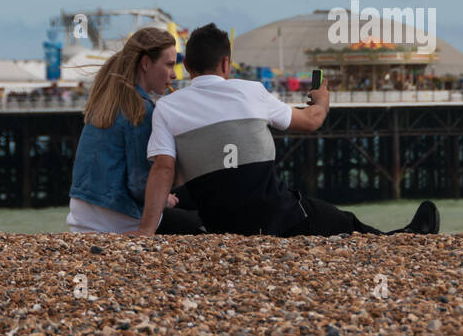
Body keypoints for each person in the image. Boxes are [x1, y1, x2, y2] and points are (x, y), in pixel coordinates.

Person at [136, 23, 439, 237]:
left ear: (186, 65)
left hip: (218, 223)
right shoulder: (251, 91)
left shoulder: (167, 107)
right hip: (275, 217)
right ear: (226, 63)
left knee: (201, 188)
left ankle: (401, 236)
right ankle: (404, 238)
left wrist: (146, 232)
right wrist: (320, 100)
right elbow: (310, 121)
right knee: (344, 221)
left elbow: (163, 169)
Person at [67, 27, 204, 234]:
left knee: (183, 206)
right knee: (199, 218)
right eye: (169, 65)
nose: (174, 75)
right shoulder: (141, 108)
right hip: (116, 219)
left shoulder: (106, 100)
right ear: (146, 63)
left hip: (81, 216)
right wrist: (164, 197)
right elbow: (140, 186)